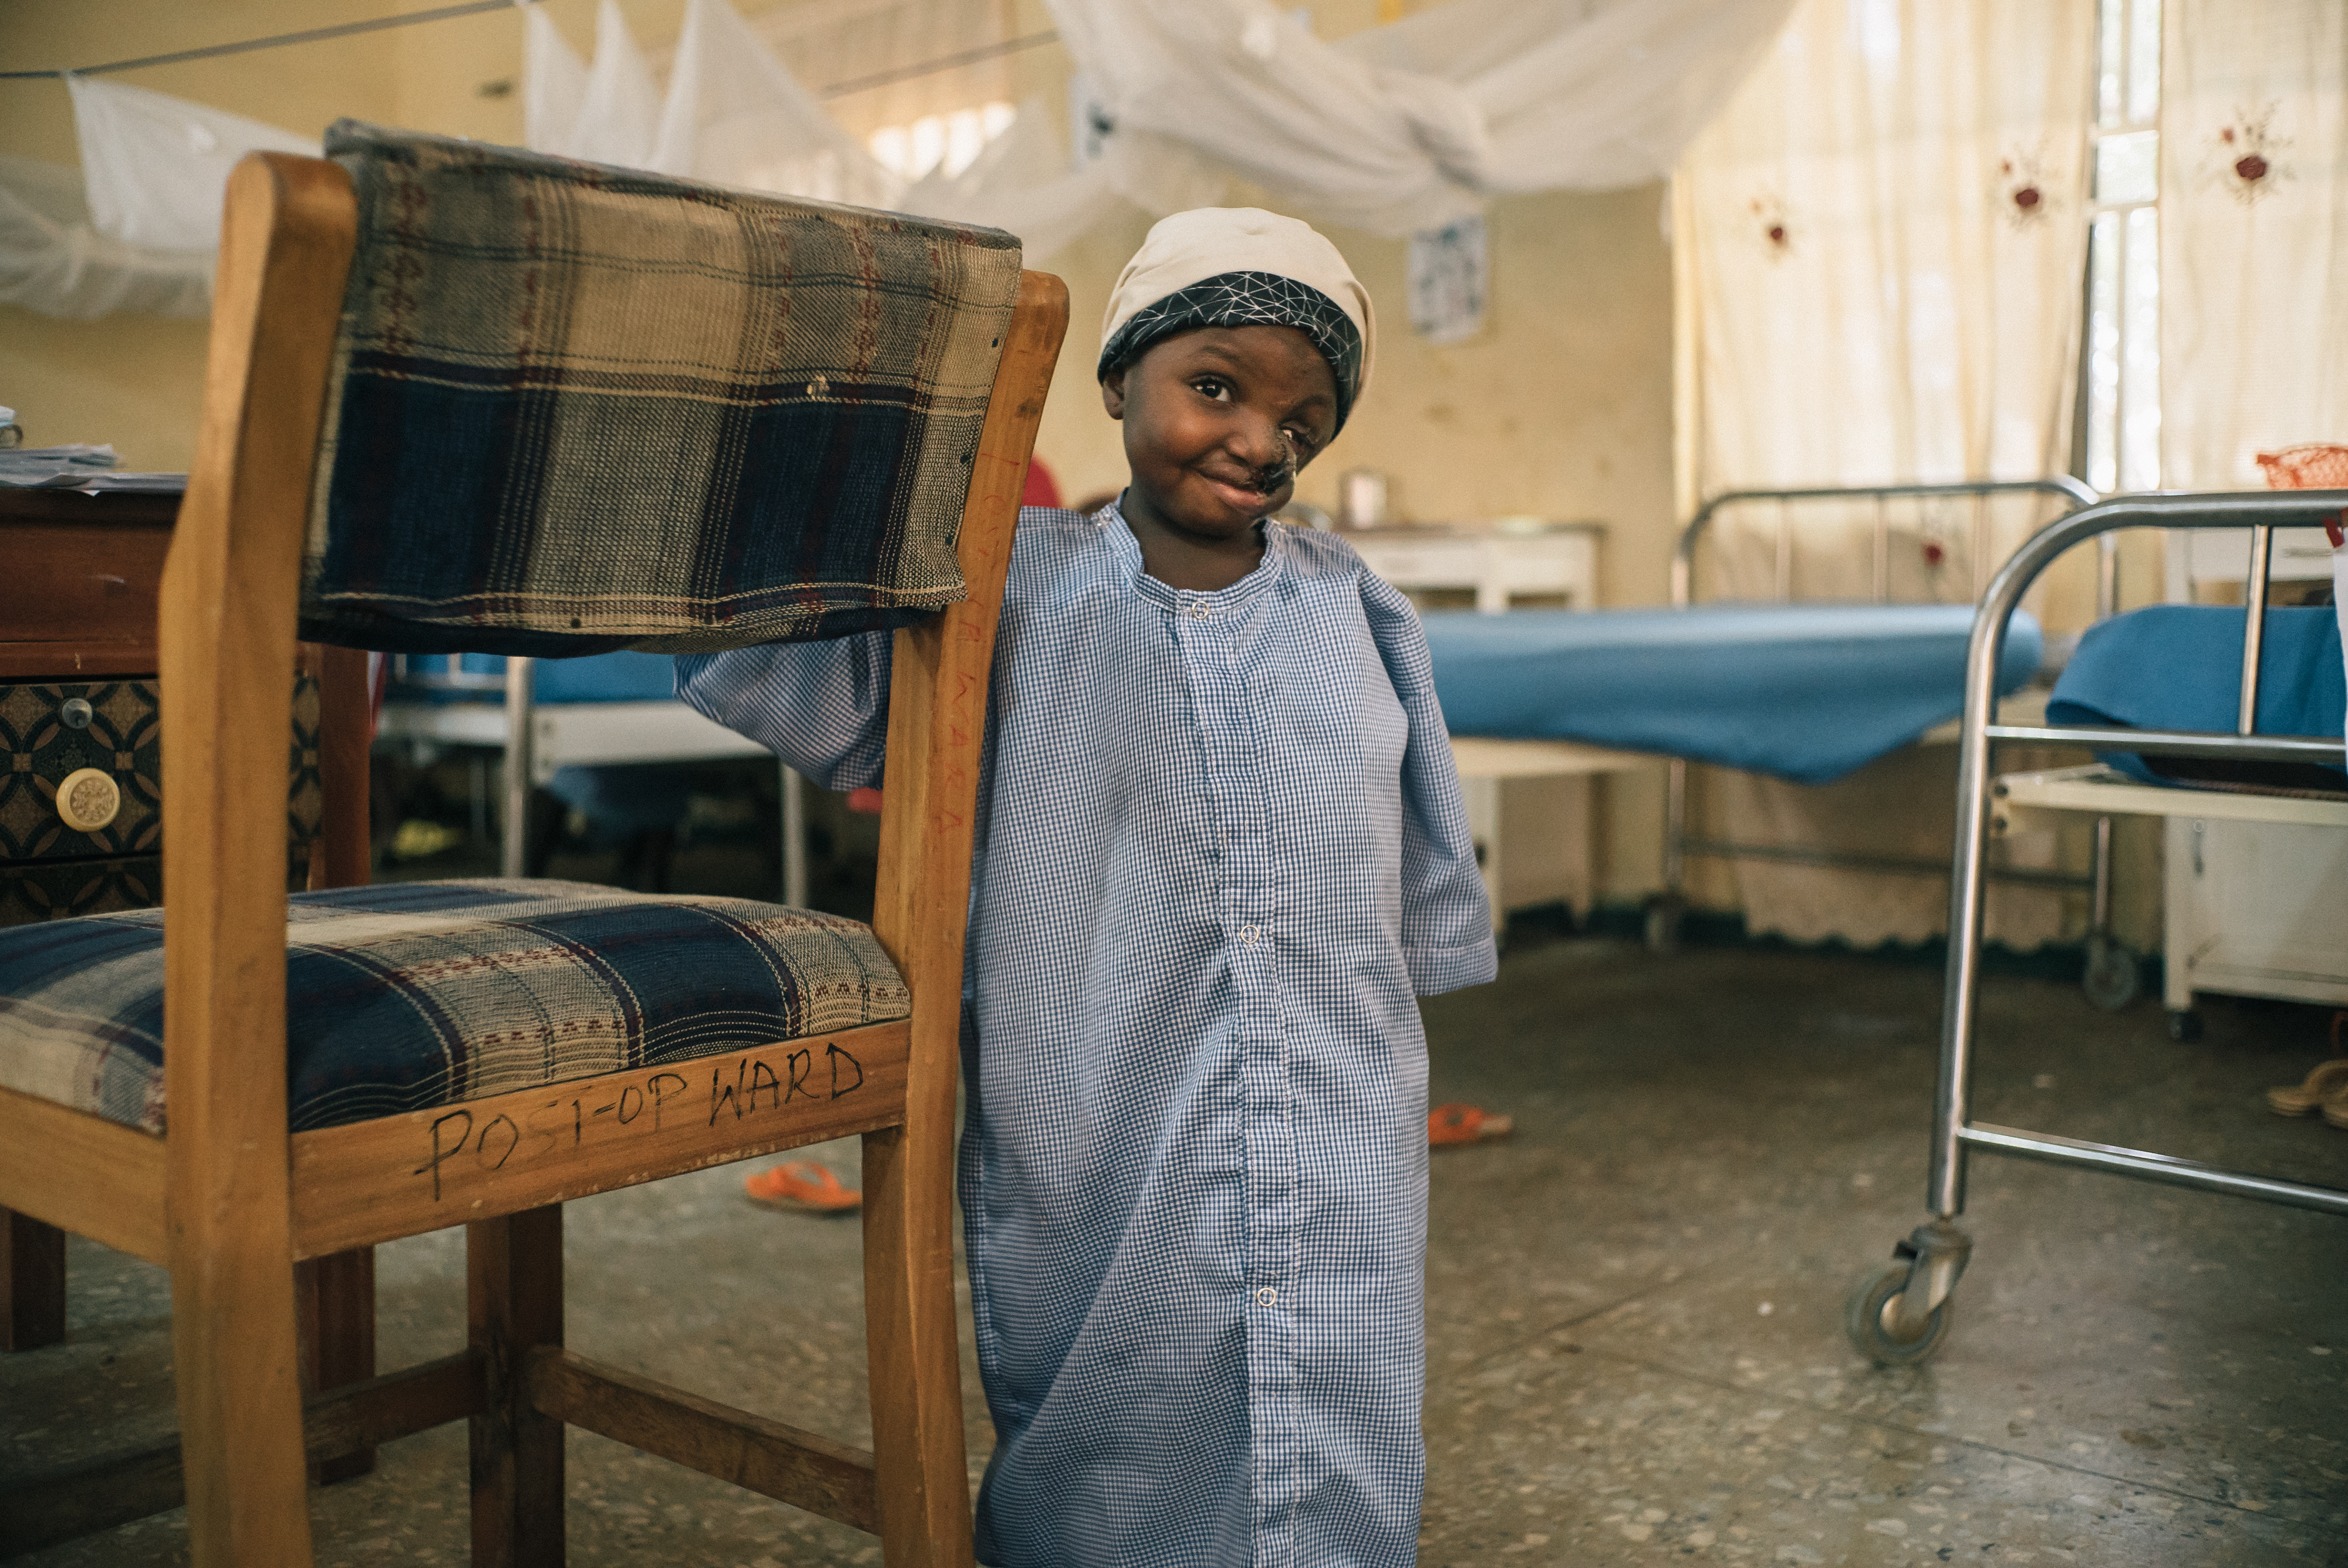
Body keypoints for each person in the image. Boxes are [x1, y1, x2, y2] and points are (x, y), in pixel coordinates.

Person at [677, 207, 1495, 1568]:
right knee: (1112, 1349)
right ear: (1119, 378)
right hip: (1090, 1073)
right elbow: (805, 667)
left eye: (1300, 422)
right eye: (1215, 387)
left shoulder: (1355, 607)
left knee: (1337, 1337)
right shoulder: (1005, 589)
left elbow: (1412, 853)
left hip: (1334, 1071)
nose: (1255, 441)